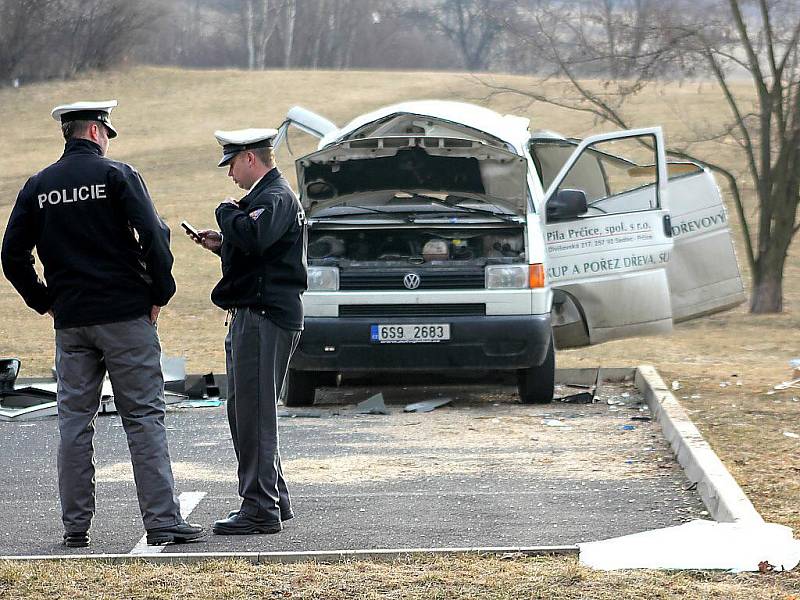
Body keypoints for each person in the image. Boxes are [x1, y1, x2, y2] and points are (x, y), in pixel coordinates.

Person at [1, 100, 204, 548]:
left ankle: (76, 527)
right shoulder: (117, 175)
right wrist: (159, 293)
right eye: (108, 133)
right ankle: (163, 522)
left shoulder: (38, 186)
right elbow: (154, 234)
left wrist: (45, 301)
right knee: (144, 418)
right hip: (126, 316)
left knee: (74, 424)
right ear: (95, 131)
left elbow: (11, 256)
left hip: (72, 323)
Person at [188, 128, 307, 535]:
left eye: (233, 164)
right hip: (258, 313)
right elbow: (263, 250)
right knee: (248, 411)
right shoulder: (269, 198)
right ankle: (274, 499)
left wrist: (226, 213)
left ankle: (259, 508)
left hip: (263, 316)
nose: (230, 175)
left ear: (251, 159)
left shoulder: (274, 197)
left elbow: (256, 237)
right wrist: (224, 243)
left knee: (253, 414)